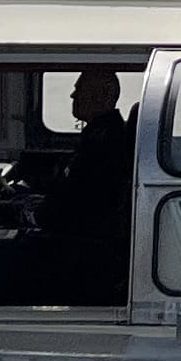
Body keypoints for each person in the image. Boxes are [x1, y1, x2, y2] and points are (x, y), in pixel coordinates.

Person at [46, 66, 134, 302]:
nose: (72, 96)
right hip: (87, 238)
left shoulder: (103, 143)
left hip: (84, 247)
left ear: (101, 97)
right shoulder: (101, 134)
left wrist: (33, 214)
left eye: (79, 90)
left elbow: (76, 204)